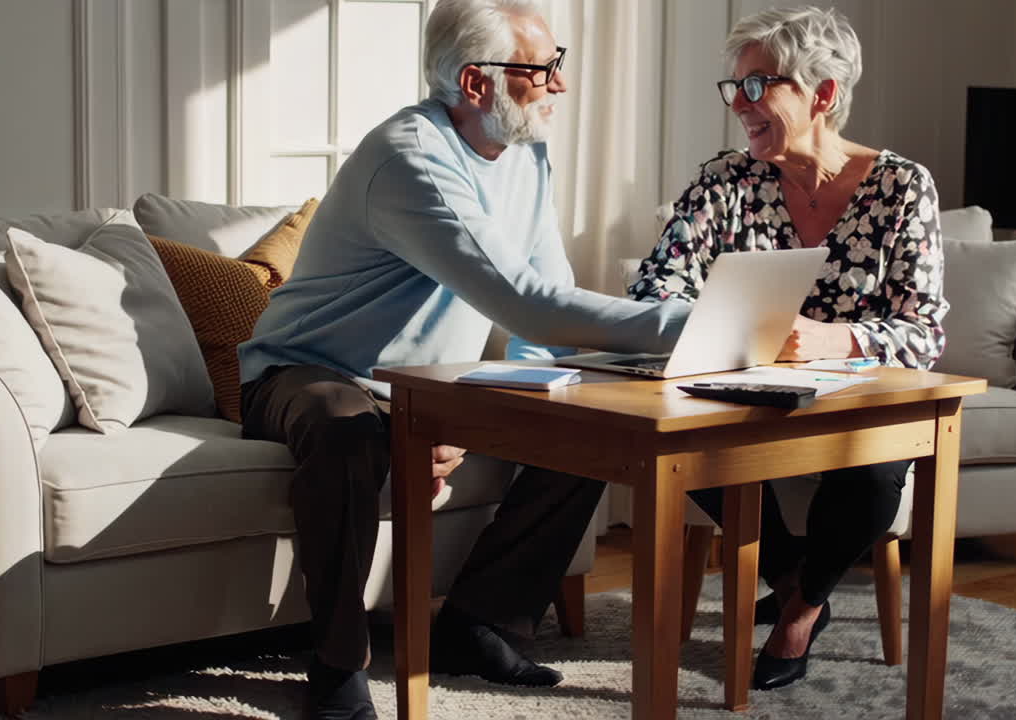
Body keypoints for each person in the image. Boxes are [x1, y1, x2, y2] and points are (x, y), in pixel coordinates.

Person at [238, 1, 691, 717]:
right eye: (542, 71)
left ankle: (479, 621)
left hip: (423, 385)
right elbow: (524, 300)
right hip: (309, 371)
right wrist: (691, 327)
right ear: (477, 83)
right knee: (346, 428)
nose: (559, 87)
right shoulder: (408, 159)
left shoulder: (527, 152)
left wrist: (517, 402)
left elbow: (546, 308)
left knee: (589, 422)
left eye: (557, 65)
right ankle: (336, 667)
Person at [629, 5, 948, 692]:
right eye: (734, 89)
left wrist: (841, 337)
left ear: (822, 95)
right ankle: (798, 579)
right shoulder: (725, 182)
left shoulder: (900, 188)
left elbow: (924, 332)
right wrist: (711, 321)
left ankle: (798, 610)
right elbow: (653, 289)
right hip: (740, 392)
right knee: (686, 447)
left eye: (757, 87)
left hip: (855, 400)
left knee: (872, 476)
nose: (739, 106)